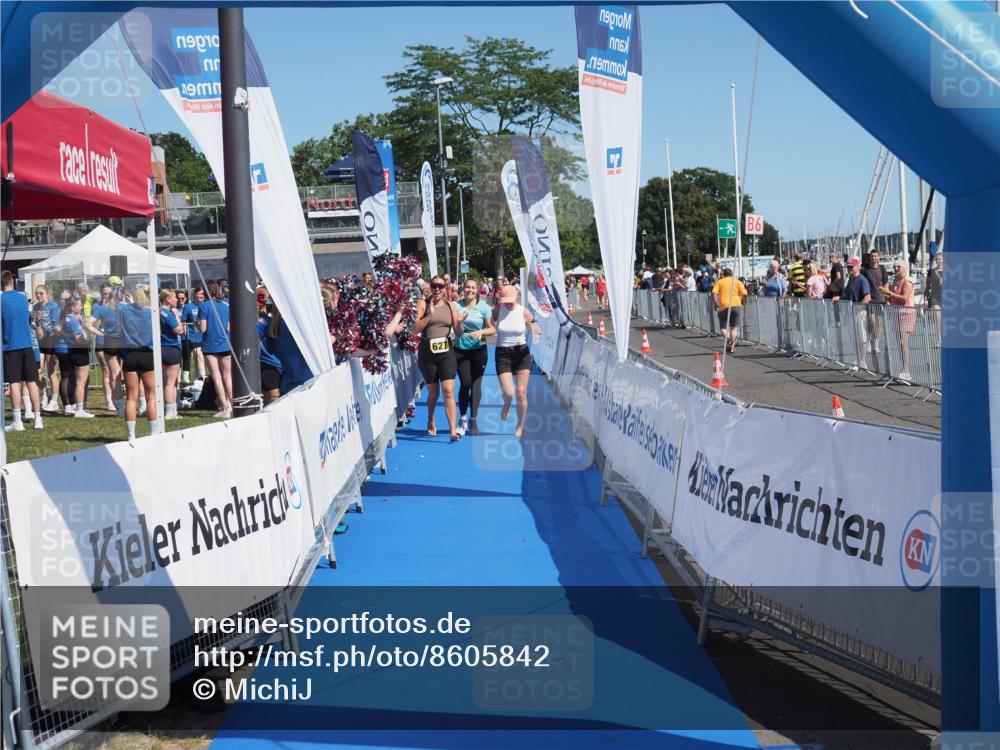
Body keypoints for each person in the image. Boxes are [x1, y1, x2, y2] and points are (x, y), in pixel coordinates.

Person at [414, 275, 464, 441]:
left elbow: (458, 332)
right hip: (427, 351)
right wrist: (429, 315)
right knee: (433, 393)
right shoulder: (423, 303)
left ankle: (452, 431)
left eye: (441, 286)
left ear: (446, 287)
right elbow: (414, 329)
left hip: (446, 350)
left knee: (449, 391)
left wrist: (460, 323)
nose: (437, 289)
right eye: (434, 286)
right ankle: (431, 419)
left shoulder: (451, 305)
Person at [493, 285, 540, 438]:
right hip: (503, 353)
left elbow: (533, 325)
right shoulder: (498, 310)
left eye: (510, 301)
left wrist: (535, 329)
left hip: (521, 353)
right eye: (505, 301)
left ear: (517, 298)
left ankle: (520, 426)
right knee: (509, 392)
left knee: (521, 392)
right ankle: (506, 403)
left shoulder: (524, 311)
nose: (508, 303)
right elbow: (488, 324)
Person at [454, 279, 496, 436]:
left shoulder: (483, 307)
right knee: (465, 383)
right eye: (467, 287)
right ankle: (463, 418)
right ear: (463, 289)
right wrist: (458, 323)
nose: (470, 290)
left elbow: (492, 329)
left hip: (479, 350)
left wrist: (481, 332)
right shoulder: (456, 306)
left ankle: (473, 420)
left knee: (476, 385)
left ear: (478, 290)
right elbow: (456, 331)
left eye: (473, 287)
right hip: (460, 349)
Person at [2, 271, 43, 430]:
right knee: (31, 381)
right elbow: (28, 317)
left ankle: (17, 421)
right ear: (12, 282)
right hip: (27, 345)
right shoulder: (22, 298)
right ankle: (37, 418)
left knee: (14, 383)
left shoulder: (1, 300)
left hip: (11, 346)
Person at [118, 284, 158, 441]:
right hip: (148, 354)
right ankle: (154, 433)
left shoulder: (125, 310)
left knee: (131, 397)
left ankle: (131, 435)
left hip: (130, 354)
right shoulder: (151, 312)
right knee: (151, 396)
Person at [198, 281, 232, 418]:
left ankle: (225, 408)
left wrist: (196, 323)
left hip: (210, 345)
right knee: (227, 376)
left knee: (217, 377)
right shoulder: (225, 305)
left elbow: (203, 329)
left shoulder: (203, 307)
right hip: (224, 344)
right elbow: (229, 327)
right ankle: (234, 404)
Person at [59, 297, 97, 418]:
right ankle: (79, 408)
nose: (81, 307)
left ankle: (81, 406)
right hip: (79, 352)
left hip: (73, 351)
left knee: (83, 380)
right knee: (81, 382)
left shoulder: (69, 319)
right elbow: (78, 338)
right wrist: (88, 341)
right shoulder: (72, 321)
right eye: (79, 305)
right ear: (72, 307)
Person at [92, 282, 124, 414]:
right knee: (107, 371)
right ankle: (110, 401)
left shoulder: (118, 305)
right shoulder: (97, 306)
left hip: (118, 341)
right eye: (105, 293)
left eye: (109, 293)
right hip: (102, 342)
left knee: (119, 372)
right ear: (101, 293)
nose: (107, 295)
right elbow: (93, 324)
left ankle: (117, 400)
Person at [881, 261, 916, 380]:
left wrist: (889, 293)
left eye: (898, 266)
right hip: (895, 314)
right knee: (899, 343)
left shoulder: (908, 281)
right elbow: (891, 299)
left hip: (906, 313)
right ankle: (903, 368)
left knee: (903, 341)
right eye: (894, 266)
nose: (896, 268)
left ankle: (906, 370)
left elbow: (904, 299)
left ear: (905, 268)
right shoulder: (895, 281)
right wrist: (885, 294)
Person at [32, 284, 61, 413]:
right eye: (37, 293)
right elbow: (38, 331)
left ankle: (54, 401)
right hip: (41, 342)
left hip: (52, 341)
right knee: (36, 372)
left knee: (51, 372)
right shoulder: (35, 307)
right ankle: (45, 393)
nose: (38, 295)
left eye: (41, 293)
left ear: (47, 293)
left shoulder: (54, 306)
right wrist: (37, 323)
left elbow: (56, 327)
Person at [159, 290, 184, 419]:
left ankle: (172, 410)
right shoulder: (168, 314)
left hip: (161, 349)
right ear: (168, 299)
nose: (176, 300)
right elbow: (178, 330)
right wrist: (177, 316)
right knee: (170, 383)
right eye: (174, 297)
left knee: (169, 382)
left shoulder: (158, 311)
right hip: (170, 348)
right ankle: (169, 411)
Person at [711, 268, 748, 353]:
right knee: (734, 328)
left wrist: (715, 303)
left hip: (724, 306)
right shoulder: (737, 282)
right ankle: (732, 347)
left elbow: (713, 293)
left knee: (723, 328)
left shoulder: (719, 282)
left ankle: (727, 338)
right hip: (736, 305)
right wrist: (742, 300)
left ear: (723, 274)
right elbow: (744, 293)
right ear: (732, 274)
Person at [183, 287, 207, 382]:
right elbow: (184, 322)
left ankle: (198, 380)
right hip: (193, 337)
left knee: (202, 360)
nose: (201, 296)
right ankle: (203, 379)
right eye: (200, 294)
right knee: (200, 358)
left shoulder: (206, 306)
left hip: (205, 337)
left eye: (203, 294)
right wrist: (186, 336)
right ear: (195, 295)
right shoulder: (188, 307)